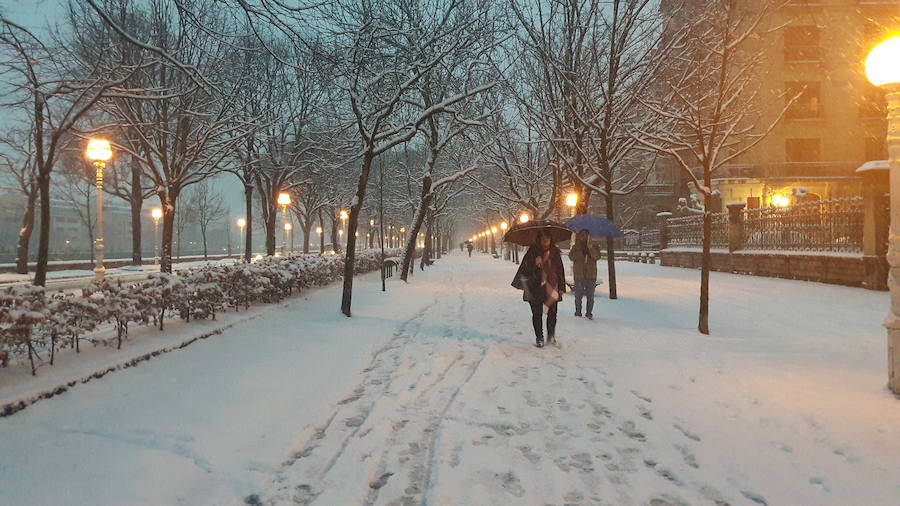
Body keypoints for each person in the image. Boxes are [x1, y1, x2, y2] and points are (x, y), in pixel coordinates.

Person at [511, 230, 566, 348]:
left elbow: (560, 270)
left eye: (548, 238)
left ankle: (551, 336)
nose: (545, 240)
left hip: (552, 287)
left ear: (551, 239)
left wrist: (562, 287)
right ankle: (539, 337)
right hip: (535, 288)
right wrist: (533, 263)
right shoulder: (532, 252)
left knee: (552, 313)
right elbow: (524, 271)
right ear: (539, 239)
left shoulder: (555, 252)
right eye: (543, 238)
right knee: (537, 314)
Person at [568, 229, 602, 319]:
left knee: (590, 296)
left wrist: (590, 249)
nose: (583, 237)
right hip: (579, 275)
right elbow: (571, 257)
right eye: (582, 235)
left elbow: (597, 257)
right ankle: (578, 312)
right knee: (578, 296)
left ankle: (589, 313)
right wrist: (580, 253)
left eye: (585, 235)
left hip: (590, 275)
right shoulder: (576, 247)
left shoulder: (594, 246)